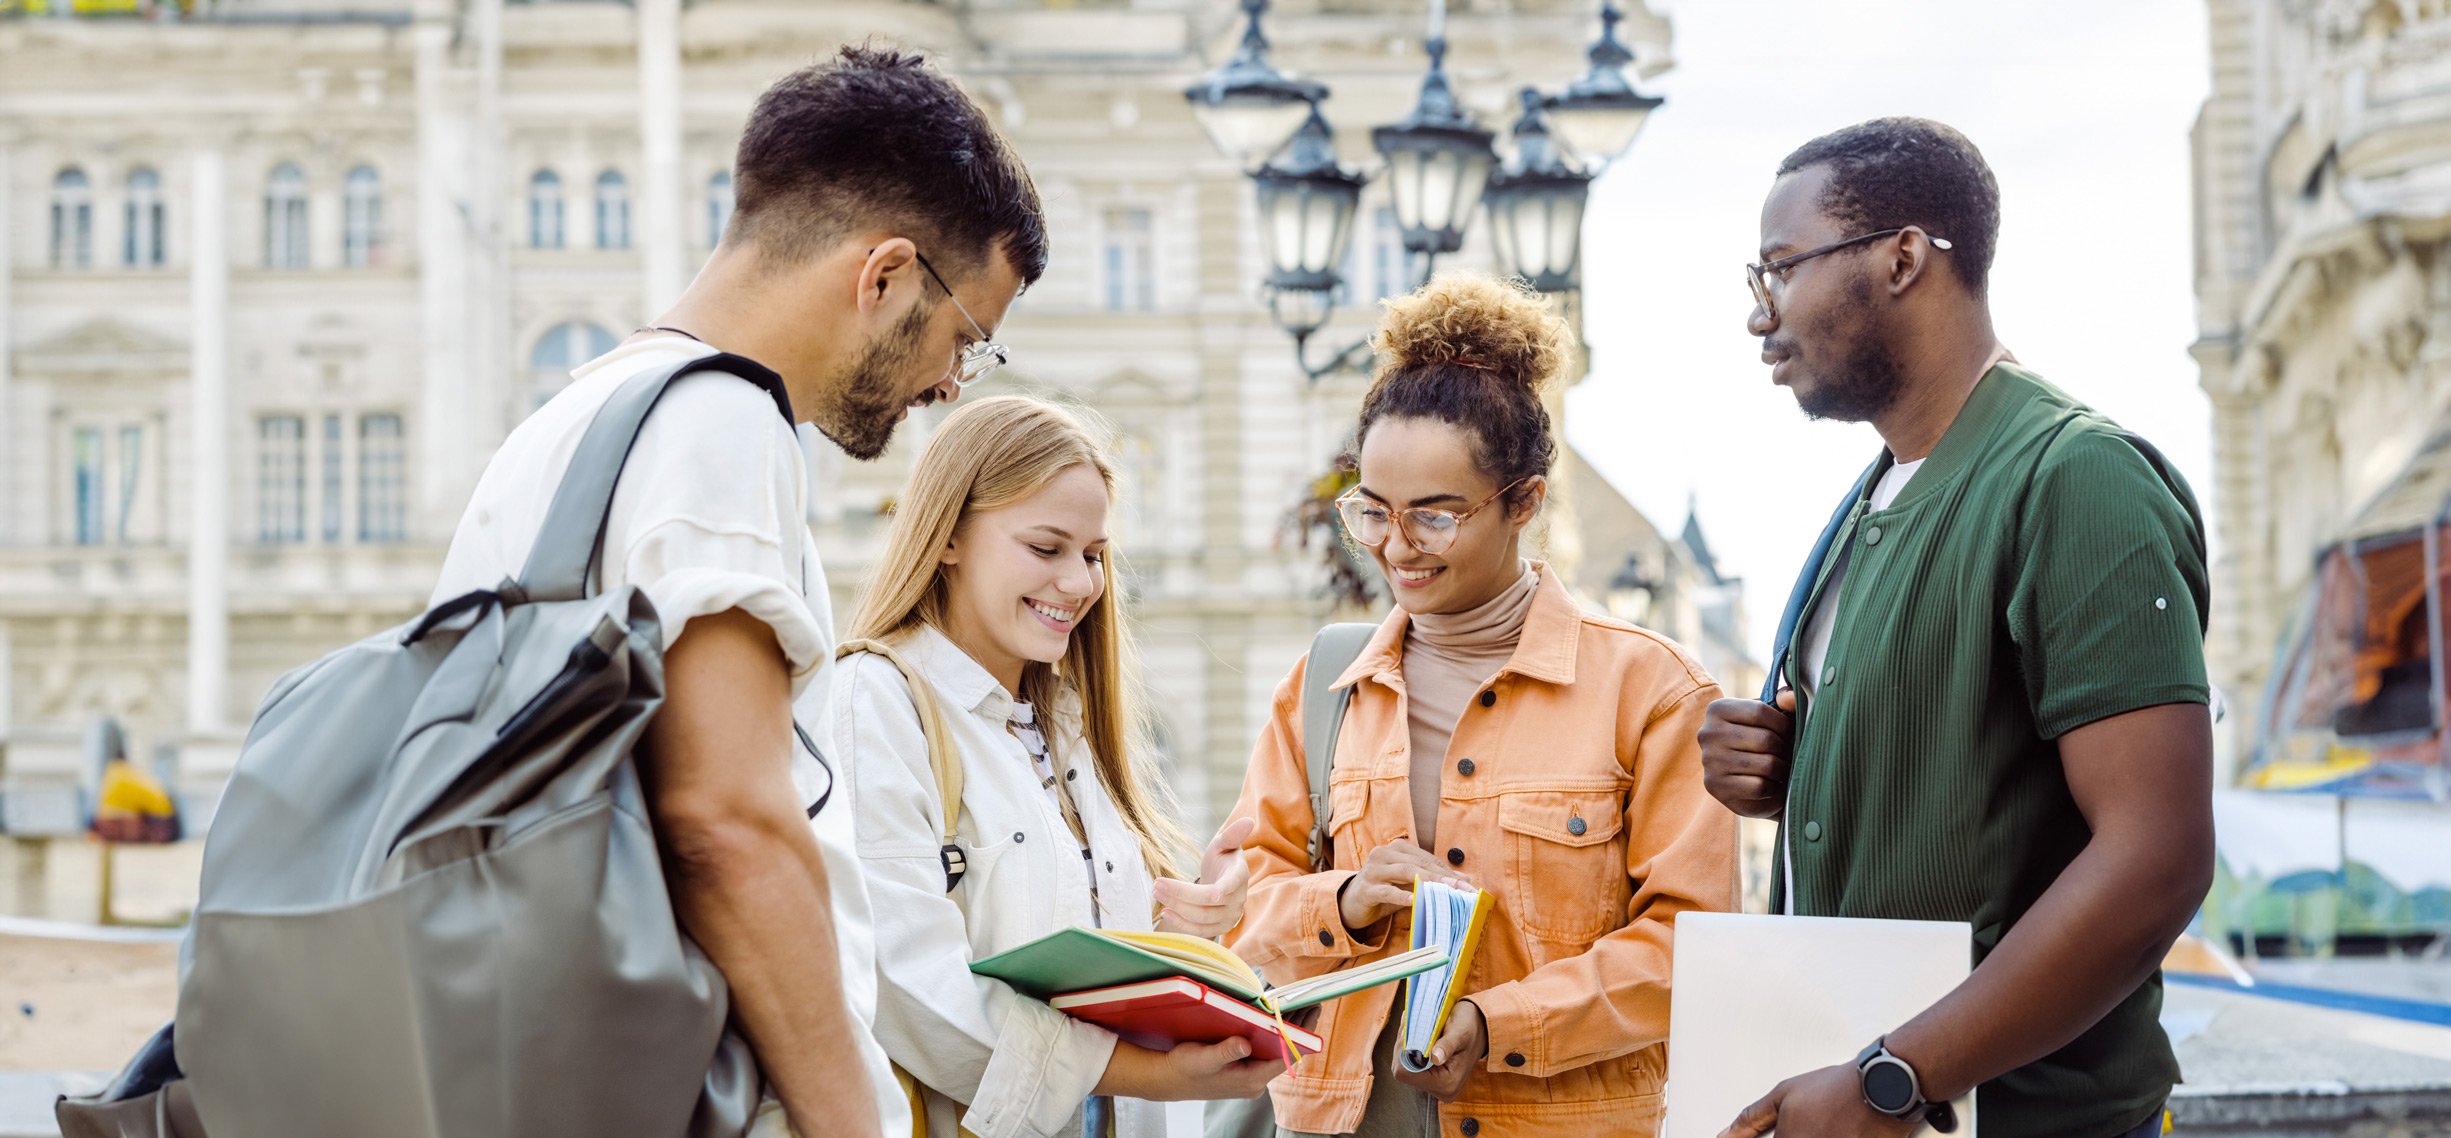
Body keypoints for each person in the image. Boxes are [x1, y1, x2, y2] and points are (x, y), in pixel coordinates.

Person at [427, 45, 1046, 1138]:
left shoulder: (571, 422)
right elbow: (726, 822)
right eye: (966, 340)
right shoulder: (719, 427)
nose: (951, 385)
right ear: (886, 275)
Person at [1701, 117, 2214, 1138]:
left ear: (1902, 257)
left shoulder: (2077, 477)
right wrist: (1782, 763)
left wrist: (1898, 1074)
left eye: (1782, 271)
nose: (1762, 317)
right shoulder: (1868, 499)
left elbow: (2157, 856)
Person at [1226, 273, 1738, 1138]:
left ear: (1524, 503)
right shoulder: (1321, 687)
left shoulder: (1650, 690)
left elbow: (1689, 947)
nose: (1396, 547)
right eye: (1373, 512)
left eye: (1435, 515)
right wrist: (1345, 901)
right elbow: (1244, 911)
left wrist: (1500, 1024)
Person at [831, 395, 1279, 1138]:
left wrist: (1184, 922)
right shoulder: (873, 702)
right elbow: (909, 987)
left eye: (1094, 555)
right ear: (948, 537)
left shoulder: (1065, 720)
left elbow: (1066, 950)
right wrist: (1152, 1075)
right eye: (1046, 549)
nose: (1079, 583)